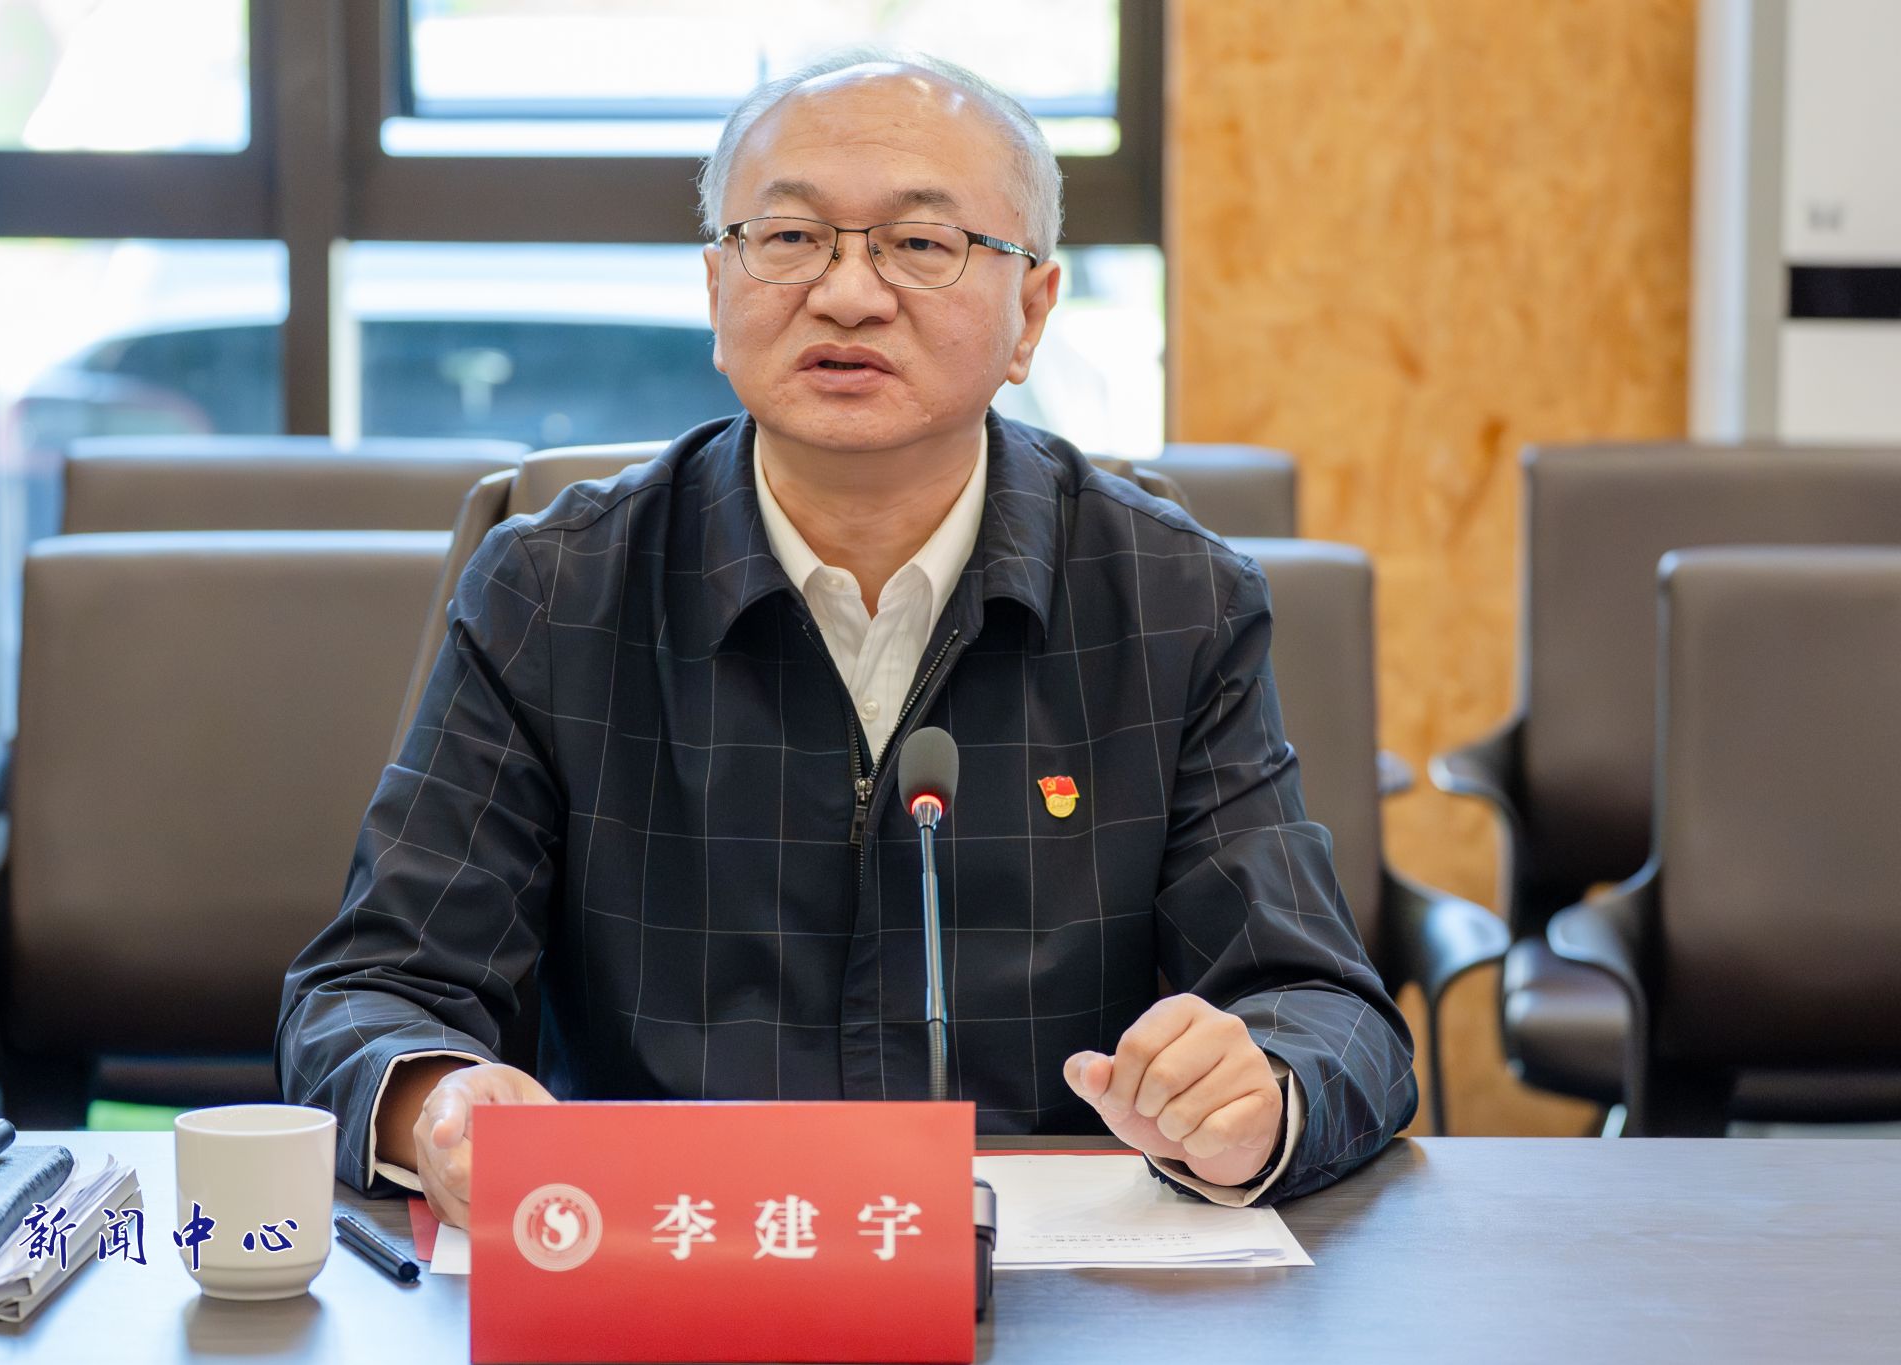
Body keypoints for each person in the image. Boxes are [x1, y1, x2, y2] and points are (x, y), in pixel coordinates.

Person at [276, 49, 1417, 1231]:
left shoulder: (1173, 599)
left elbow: (1325, 1013)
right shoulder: (555, 591)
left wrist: (1253, 1097)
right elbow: (367, 992)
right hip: (663, 1256)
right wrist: (440, 1105)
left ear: (1029, 313)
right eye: (788, 238)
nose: (848, 295)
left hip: (1040, 1271)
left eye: (920, 244)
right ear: (716, 289)